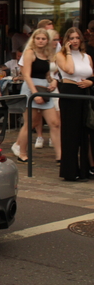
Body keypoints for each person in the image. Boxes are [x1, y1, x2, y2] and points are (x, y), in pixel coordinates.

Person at [13, 28, 61, 164]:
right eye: (38, 38)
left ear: (47, 41)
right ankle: (22, 153)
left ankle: (60, 156)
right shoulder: (29, 53)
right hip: (31, 88)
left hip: (44, 88)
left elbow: (48, 74)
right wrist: (35, 93)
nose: (40, 41)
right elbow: (26, 75)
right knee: (31, 123)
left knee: (55, 122)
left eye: (43, 39)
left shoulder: (48, 54)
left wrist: (53, 82)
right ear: (33, 39)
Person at [56, 27, 93, 181]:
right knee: (70, 132)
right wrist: (69, 52)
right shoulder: (61, 55)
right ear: (67, 40)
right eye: (71, 38)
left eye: (77, 38)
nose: (75, 41)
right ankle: (70, 171)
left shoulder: (87, 56)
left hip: (85, 93)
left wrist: (90, 82)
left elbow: (91, 74)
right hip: (69, 92)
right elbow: (70, 70)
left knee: (86, 132)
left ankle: (86, 170)